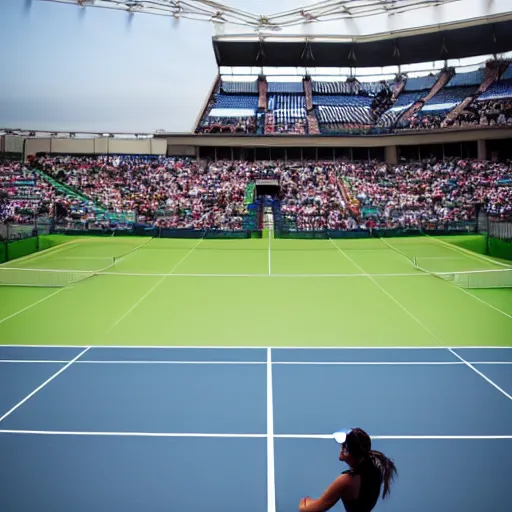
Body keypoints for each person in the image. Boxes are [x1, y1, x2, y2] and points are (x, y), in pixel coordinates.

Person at [298, 428, 397, 512]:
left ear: (352, 454)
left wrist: (303, 503)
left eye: (345, 447)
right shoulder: (374, 466)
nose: (341, 447)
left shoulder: (346, 481)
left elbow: (313, 509)